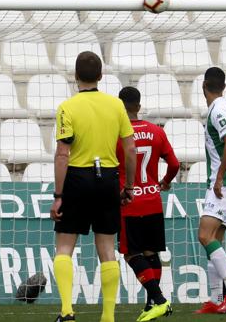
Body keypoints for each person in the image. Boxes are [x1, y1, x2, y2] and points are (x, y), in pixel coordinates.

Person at [50, 51, 136, 322]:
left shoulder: (67, 107)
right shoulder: (116, 106)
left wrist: (58, 195)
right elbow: (130, 149)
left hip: (77, 178)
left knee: (64, 247)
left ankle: (66, 311)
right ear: (101, 76)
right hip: (108, 178)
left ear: (75, 76)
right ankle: (108, 316)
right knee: (107, 249)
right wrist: (129, 186)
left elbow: (63, 153)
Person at [115, 86, 179, 321]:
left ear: (119, 108)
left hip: (128, 201)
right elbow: (174, 164)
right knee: (151, 253)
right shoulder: (156, 131)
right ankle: (152, 304)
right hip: (153, 199)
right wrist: (164, 182)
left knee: (131, 255)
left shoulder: (117, 134)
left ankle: (159, 300)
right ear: (139, 107)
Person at [196, 67, 226, 314]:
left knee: (204, 235)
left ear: (203, 86)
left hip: (224, 183)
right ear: (224, 86)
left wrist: (218, 177)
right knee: (215, 238)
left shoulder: (218, 110)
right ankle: (216, 299)